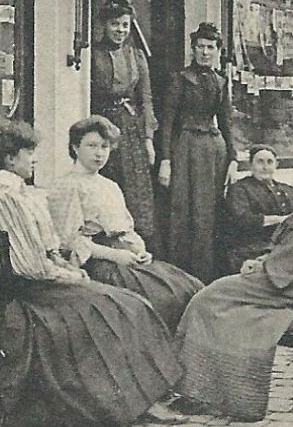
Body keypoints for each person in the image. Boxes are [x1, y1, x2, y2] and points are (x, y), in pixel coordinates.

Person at [0, 123, 181, 427]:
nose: (34, 160)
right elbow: (31, 266)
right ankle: (136, 400)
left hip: (49, 280)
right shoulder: (6, 197)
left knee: (130, 304)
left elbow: (46, 247)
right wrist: (71, 276)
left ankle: (142, 397)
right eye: (29, 153)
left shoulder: (19, 192)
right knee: (123, 307)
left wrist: (66, 267)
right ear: (9, 159)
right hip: (37, 291)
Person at [174, 136, 293, 422]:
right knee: (212, 299)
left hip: (286, 290)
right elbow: (290, 254)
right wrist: (263, 261)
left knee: (206, 299)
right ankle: (204, 388)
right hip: (284, 280)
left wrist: (260, 268)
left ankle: (198, 390)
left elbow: (292, 261)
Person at [47, 115, 204, 331]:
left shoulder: (110, 186)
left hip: (127, 258)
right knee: (158, 300)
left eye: (105, 146)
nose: (99, 153)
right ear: (75, 148)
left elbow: (126, 228)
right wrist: (116, 256)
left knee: (189, 288)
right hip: (98, 262)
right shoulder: (66, 186)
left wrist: (140, 250)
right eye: (91, 146)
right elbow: (70, 241)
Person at [159, 22, 238, 282]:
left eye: (210, 48)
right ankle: (182, 276)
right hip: (186, 148)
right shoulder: (180, 79)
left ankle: (207, 276)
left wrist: (234, 159)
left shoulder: (220, 81)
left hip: (213, 151)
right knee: (184, 210)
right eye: (200, 47)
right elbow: (168, 122)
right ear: (193, 49)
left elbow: (226, 122)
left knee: (208, 213)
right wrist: (166, 161)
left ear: (217, 51)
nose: (205, 52)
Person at [90, 0, 160, 250]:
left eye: (124, 25)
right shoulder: (93, 54)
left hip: (131, 128)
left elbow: (146, 99)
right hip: (103, 126)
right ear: (104, 25)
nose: (120, 30)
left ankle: (136, 247)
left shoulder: (137, 55)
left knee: (136, 191)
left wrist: (149, 140)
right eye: (114, 24)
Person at [217, 144, 293, 276]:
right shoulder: (240, 189)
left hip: (281, 249)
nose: (265, 167)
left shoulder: (287, 190)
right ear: (250, 164)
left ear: (277, 164)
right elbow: (242, 220)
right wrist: (281, 219)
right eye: (260, 162)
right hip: (250, 250)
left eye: (269, 162)